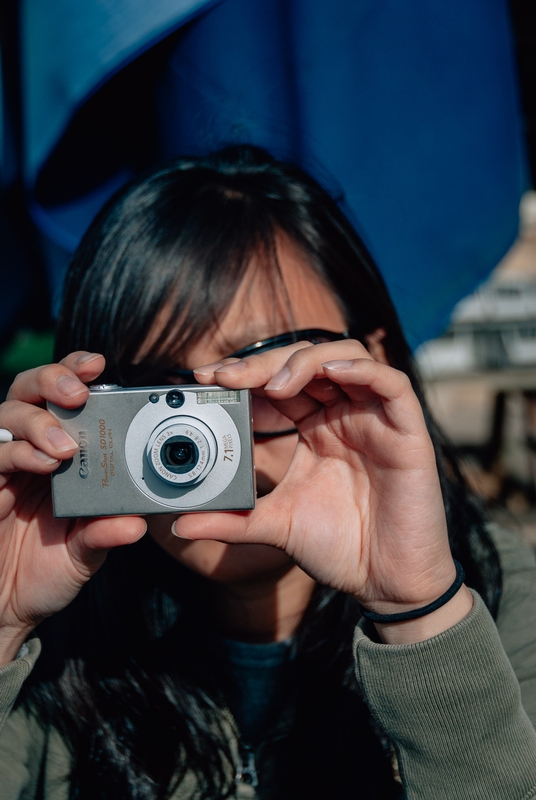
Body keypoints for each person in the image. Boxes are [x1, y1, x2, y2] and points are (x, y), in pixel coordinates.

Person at [0, 145, 535, 800]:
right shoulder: (51, 643)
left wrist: (418, 611)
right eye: (154, 394)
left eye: (269, 369)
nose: (206, 436)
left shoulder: (500, 598)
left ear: (375, 359)